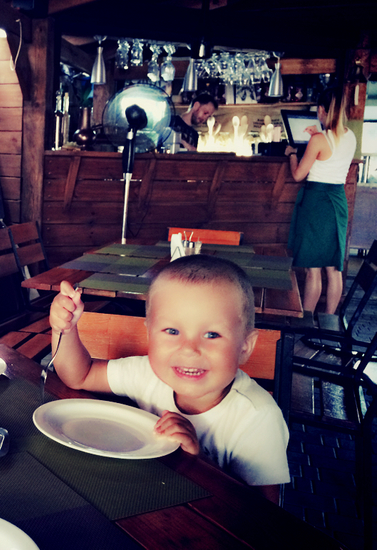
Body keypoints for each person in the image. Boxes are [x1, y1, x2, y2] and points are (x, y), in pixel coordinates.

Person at [49, 255, 290, 503]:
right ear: (150, 334)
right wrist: (64, 329)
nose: (189, 349)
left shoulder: (258, 417)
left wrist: (197, 461)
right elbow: (81, 375)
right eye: (172, 331)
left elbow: (265, 514)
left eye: (212, 334)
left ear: (245, 346)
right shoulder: (147, 373)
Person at [285, 85, 356, 315]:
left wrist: (292, 154)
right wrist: (317, 134)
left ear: (322, 110)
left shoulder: (318, 139)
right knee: (334, 269)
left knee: (313, 269)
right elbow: (332, 154)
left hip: (317, 202)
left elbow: (298, 175)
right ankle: (329, 322)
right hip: (337, 201)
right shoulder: (350, 136)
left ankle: (306, 321)